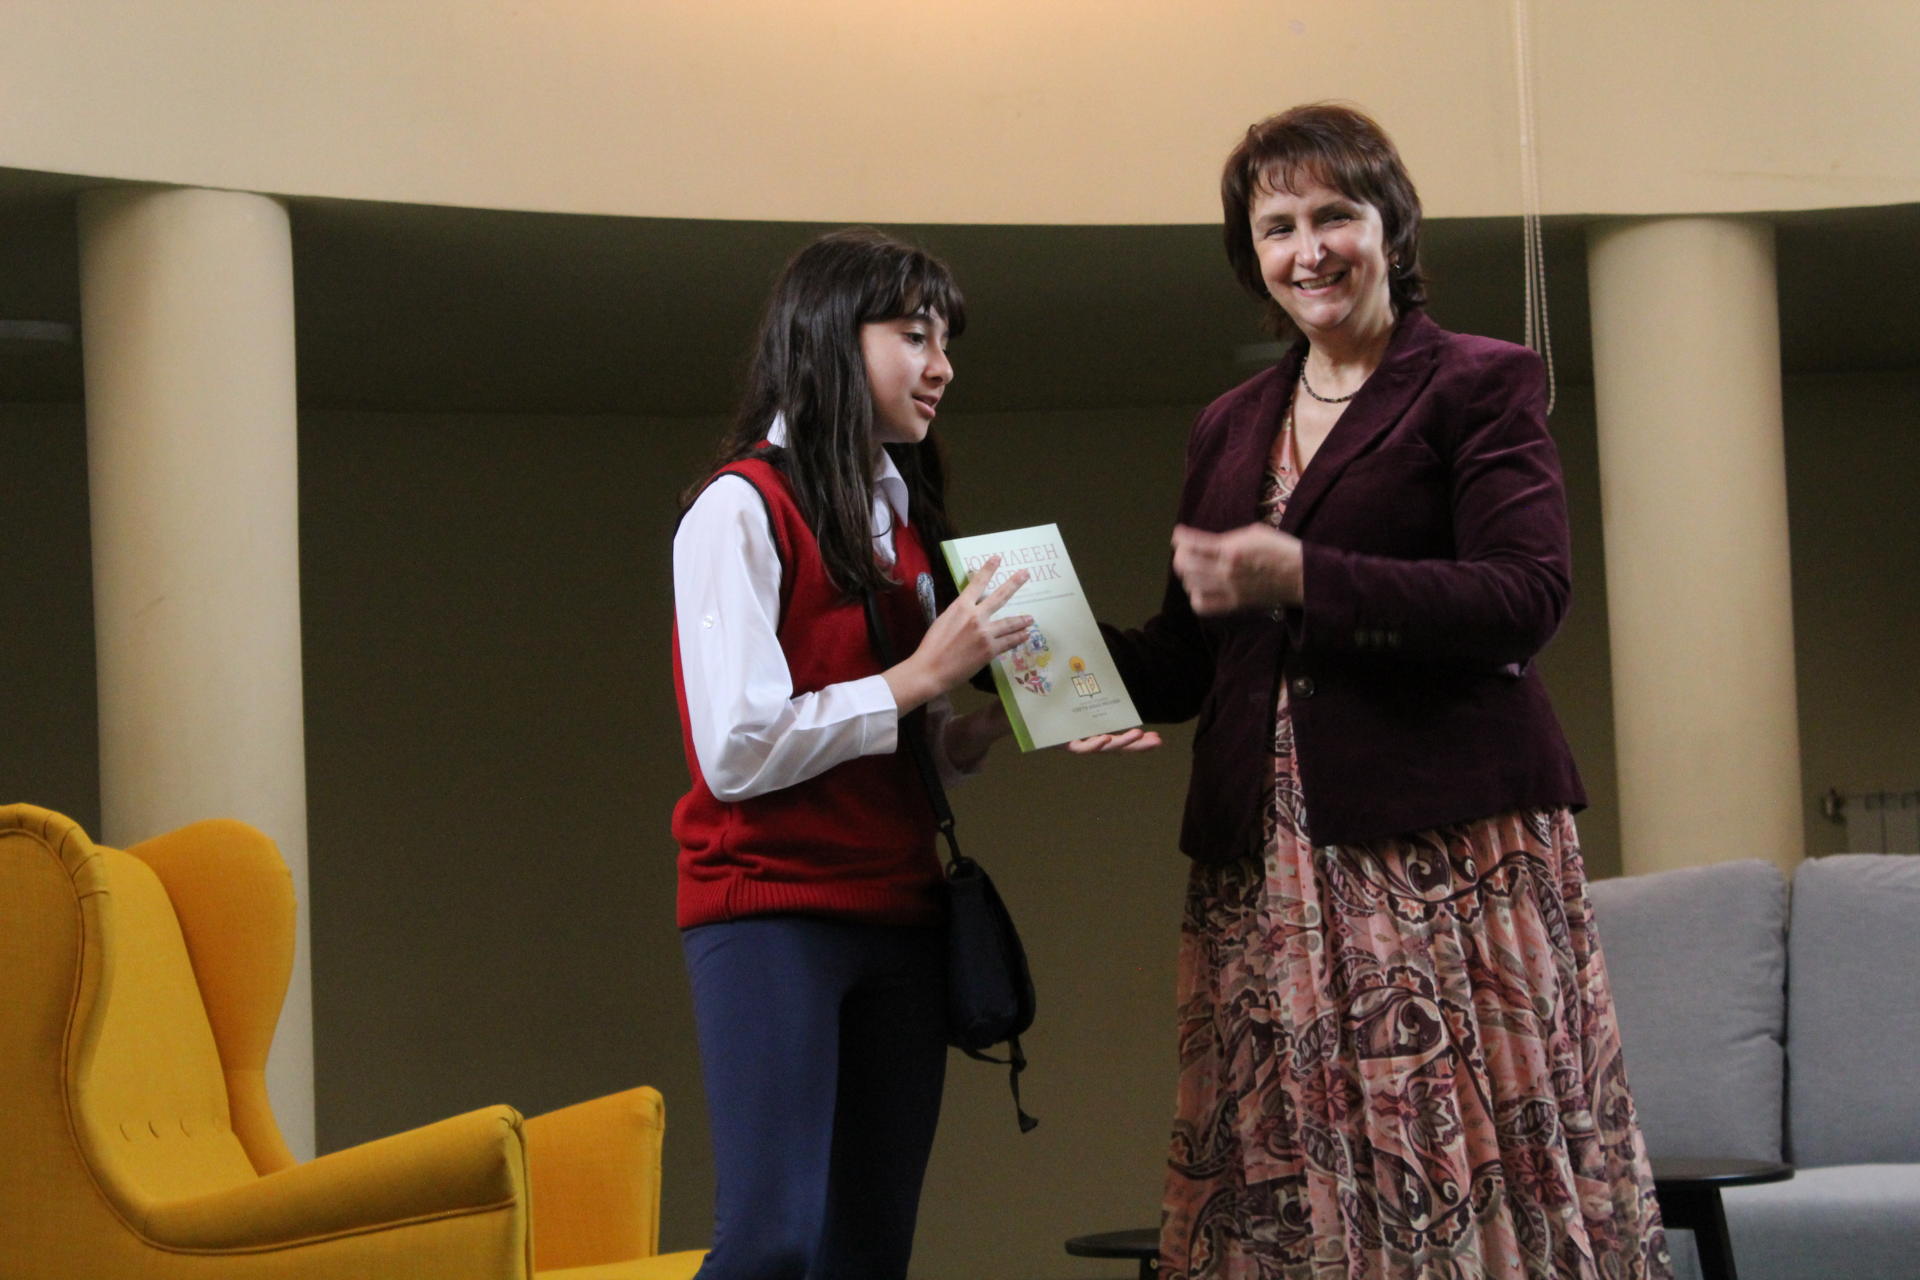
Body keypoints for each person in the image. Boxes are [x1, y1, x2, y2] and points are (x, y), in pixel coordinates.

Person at [1086, 105, 1671, 1278]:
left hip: (1441, 847)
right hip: (1268, 864)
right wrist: (1039, 659)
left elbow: (1524, 596)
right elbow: (1192, 657)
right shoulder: (1228, 427)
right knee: (1289, 1172)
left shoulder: (1480, 381)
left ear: (1391, 226)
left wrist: (1306, 574)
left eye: (1334, 216)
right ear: (1251, 253)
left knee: (1463, 1150)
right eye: (1278, 227)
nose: (1308, 250)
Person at [670, 229, 1029, 1280]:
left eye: (945, 341)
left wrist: (990, 724)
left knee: (868, 1251)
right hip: (770, 908)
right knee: (773, 1239)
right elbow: (738, 749)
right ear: (831, 335)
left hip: (902, 915)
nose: (941, 366)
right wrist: (921, 674)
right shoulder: (739, 505)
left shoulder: (902, 516)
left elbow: (905, 748)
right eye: (914, 336)